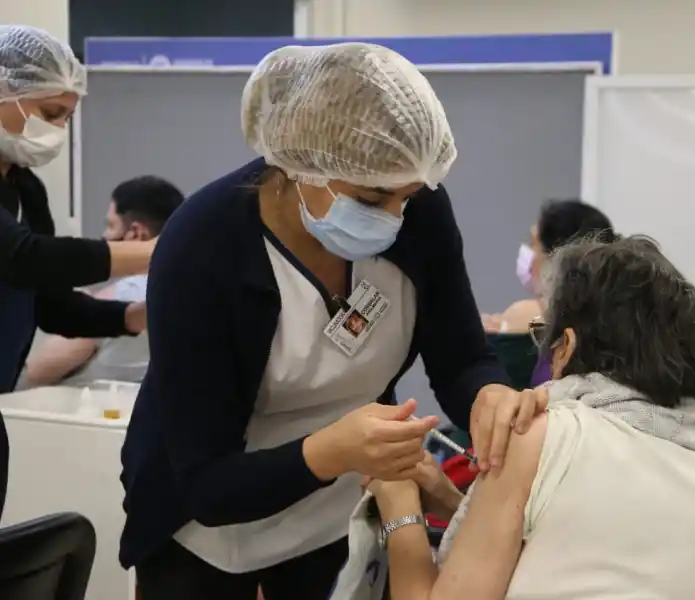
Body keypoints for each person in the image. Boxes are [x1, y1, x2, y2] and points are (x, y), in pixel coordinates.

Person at [120, 43, 546, 600]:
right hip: (207, 534)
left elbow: (462, 357)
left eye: (408, 197)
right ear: (303, 166)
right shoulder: (202, 248)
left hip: (340, 517)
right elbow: (206, 484)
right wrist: (331, 450)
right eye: (373, 198)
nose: (396, 217)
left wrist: (489, 394)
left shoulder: (416, 212)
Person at [366, 235, 695, 600]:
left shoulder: (543, 435)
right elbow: (575, 551)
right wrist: (452, 501)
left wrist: (398, 503)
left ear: (565, 346)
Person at [0, 25, 152, 520]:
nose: (59, 131)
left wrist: (132, 316)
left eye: (67, 118)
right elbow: (27, 257)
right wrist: (155, 252)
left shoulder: (26, 190)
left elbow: (51, 302)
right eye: (50, 115)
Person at [23, 176, 184, 387]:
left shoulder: (116, 296)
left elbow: (34, 373)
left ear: (137, 234)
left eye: (110, 225)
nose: (104, 235)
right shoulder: (184, 296)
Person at [482, 198, 617, 337]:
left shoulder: (529, 316)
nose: (527, 252)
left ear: (556, 257)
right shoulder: (617, 319)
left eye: (533, 243)